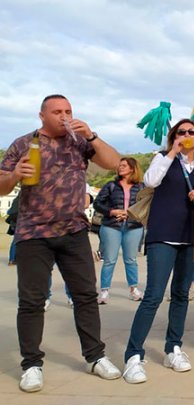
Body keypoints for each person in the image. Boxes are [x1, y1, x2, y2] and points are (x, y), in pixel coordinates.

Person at [0, 94, 122, 393]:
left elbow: (114, 163)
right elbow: (1, 186)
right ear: (42, 115)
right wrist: (15, 174)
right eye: (57, 111)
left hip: (74, 231)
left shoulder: (79, 142)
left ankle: (95, 357)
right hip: (33, 234)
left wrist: (91, 134)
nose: (64, 116)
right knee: (31, 301)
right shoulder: (22, 143)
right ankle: (31, 364)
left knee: (85, 297)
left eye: (68, 110)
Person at [122, 119, 194, 384]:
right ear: (174, 136)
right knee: (153, 295)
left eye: (191, 132)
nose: (186, 135)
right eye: (180, 132)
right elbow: (151, 181)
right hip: (163, 235)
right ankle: (134, 354)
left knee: (181, 295)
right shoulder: (162, 158)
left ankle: (173, 348)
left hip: (192, 236)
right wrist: (173, 152)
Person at [93, 157, 146, 304]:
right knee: (109, 260)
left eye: (124, 165)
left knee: (131, 260)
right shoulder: (111, 185)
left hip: (133, 227)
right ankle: (104, 291)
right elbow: (97, 203)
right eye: (119, 165)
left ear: (132, 168)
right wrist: (112, 211)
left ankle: (133, 289)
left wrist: (130, 214)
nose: (120, 167)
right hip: (111, 226)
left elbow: (145, 206)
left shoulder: (142, 187)